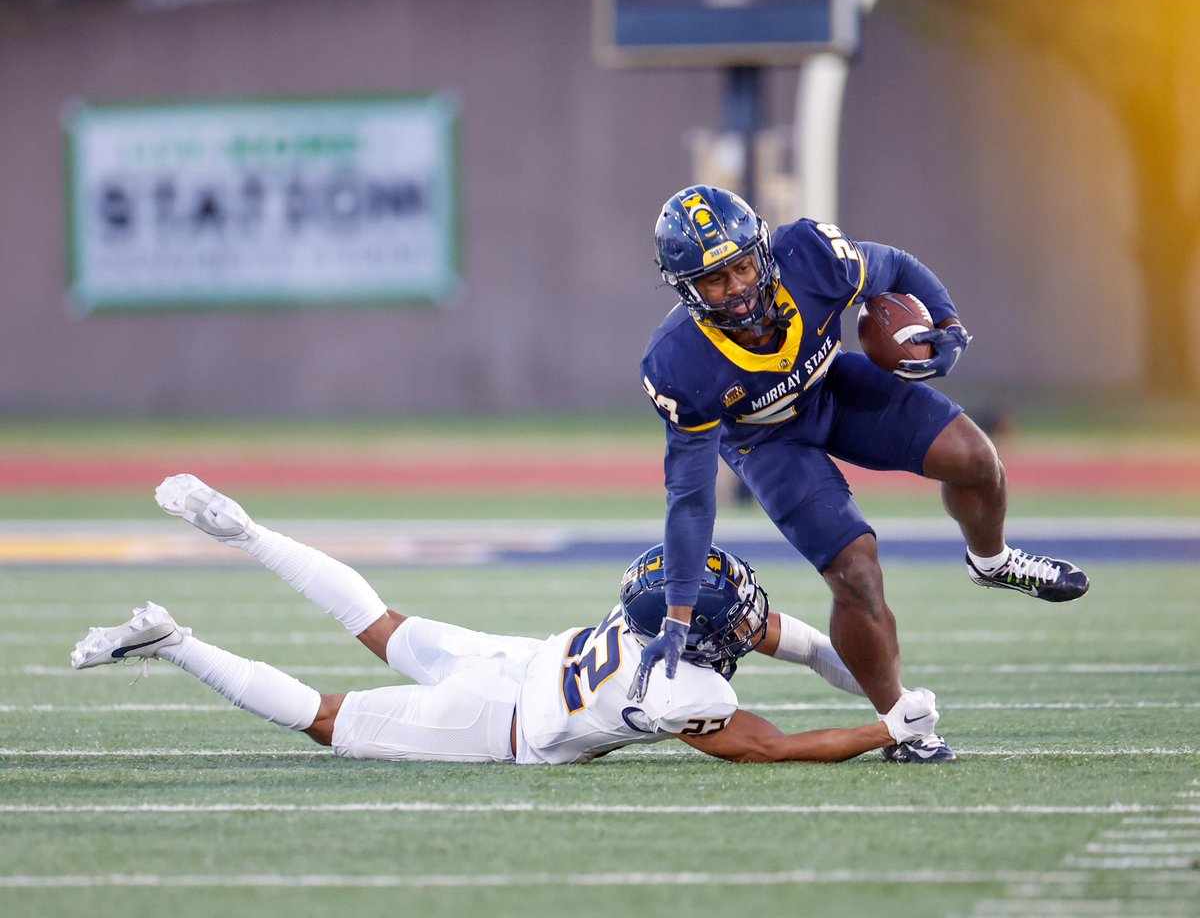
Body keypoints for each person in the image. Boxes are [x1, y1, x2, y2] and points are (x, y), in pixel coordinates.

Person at [633, 184, 1090, 762]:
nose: (738, 289)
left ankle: (992, 561)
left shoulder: (811, 257)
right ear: (687, 290)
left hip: (833, 389)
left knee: (975, 458)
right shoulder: (680, 362)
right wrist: (677, 616)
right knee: (855, 572)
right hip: (768, 444)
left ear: (763, 252)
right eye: (715, 280)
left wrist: (946, 324)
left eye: (742, 267)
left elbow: (894, 266)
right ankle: (901, 721)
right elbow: (691, 499)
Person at [70, 474, 940, 765]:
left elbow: (806, 642)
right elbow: (772, 749)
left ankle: (249, 532)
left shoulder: (665, 612)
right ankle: (174, 641)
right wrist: (885, 730)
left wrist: (887, 695)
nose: (755, 618)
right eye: (739, 613)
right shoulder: (684, 685)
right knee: (327, 721)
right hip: (503, 720)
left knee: (380, 621)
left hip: (525, 658)